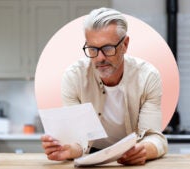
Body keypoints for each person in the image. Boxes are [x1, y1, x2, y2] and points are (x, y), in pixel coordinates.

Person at [41, 7, 168, 165]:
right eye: (92, 49)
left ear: (125, 45)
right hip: (90, 157)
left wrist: (143, 150)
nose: (100, 58)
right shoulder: (74, 77)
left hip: (131, 155)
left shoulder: (148, 76)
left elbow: (155, 137)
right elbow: (78, 140)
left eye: (108, 48)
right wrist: (67, 149)